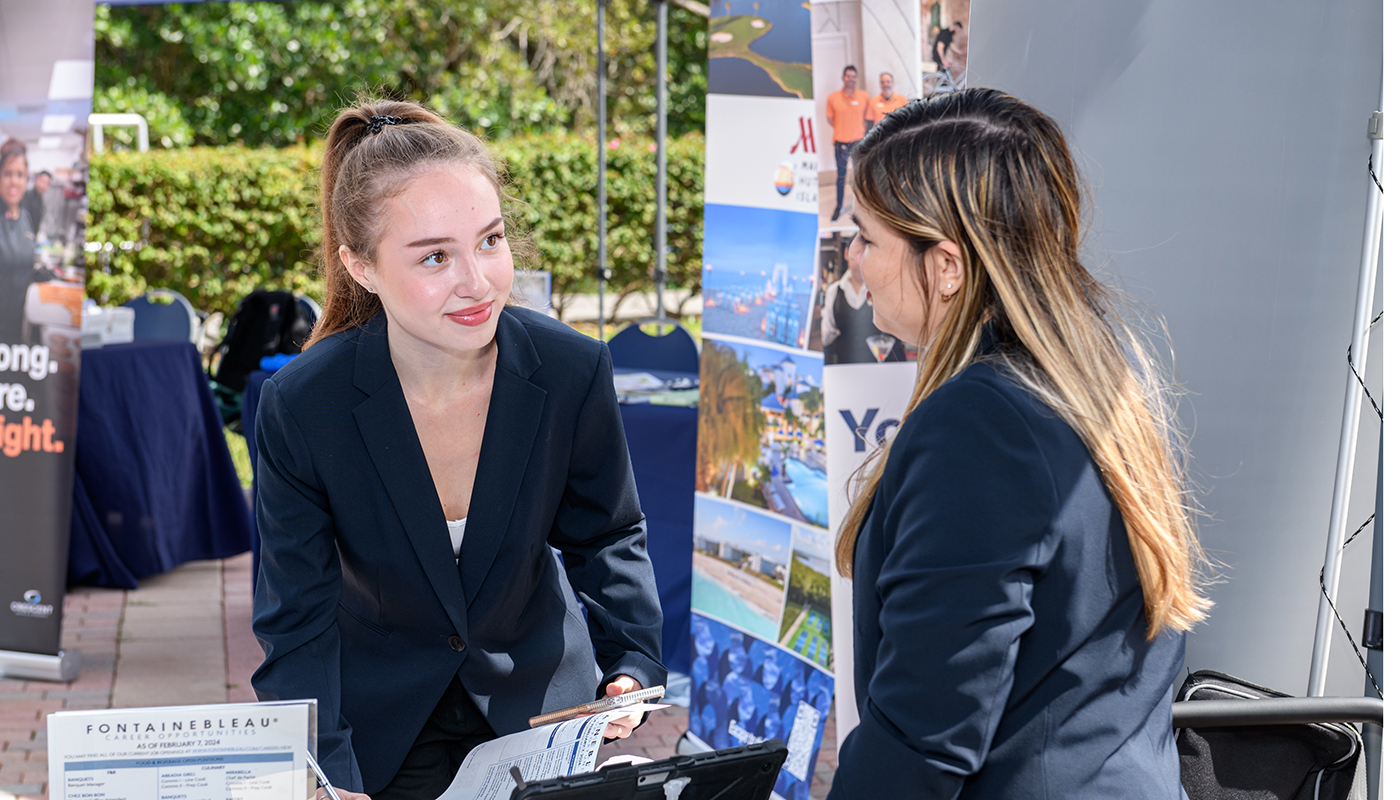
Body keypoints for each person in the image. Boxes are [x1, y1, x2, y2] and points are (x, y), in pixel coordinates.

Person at [251, 100, 666, 800]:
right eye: (435, 256)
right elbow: (298, 618)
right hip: (377, 728)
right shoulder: (304, 406)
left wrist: (631, 662)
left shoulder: (571, 371)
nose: (476, 281)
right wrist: (323, 774)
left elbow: (609, 532)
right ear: (362, 267)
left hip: (540, 713)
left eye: (490, 241)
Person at [827, 89, 1209, 798]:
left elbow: (925, 735)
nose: (853, 259)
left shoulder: (978, 424)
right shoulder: (1095, 385)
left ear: (945, 265)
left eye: (868, 238)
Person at [0, 139, 37, 341]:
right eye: (8, 174)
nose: (14, 181)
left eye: (20, 175)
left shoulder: (25, 217)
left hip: (20, 324)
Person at [825, 65, 868, 222]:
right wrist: (843, 128)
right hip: (840, 142)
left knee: (860, 176)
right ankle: (839, 206)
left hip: (858, 142)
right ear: (843, 78)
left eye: (853, 76)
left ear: (856, 78)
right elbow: (830, 119)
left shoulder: (864, 96)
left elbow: (868, 117)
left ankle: (863, 208)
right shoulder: (833, 97)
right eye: (848, 76)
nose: (851, 79)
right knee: (841, 176)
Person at [21, 170, 49, 239]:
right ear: (37, 179)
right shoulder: (26, 196)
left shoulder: (40, 200)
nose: (44, 186)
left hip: (32, 239)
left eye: (47, 184)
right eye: (43, 182)